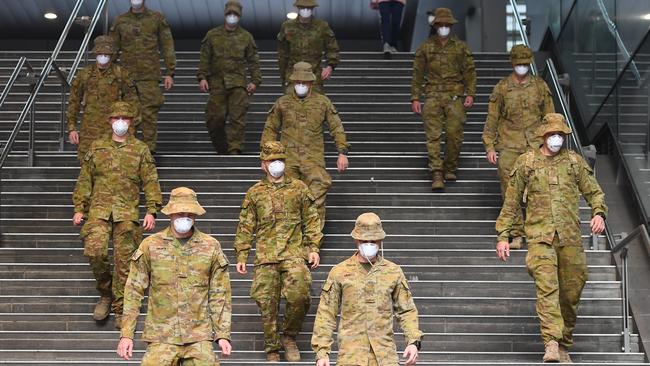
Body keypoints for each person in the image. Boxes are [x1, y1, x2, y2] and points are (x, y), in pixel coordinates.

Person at [495, 113, 607, 363]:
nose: (557, 138)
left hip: (570, 240)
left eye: (561, 135)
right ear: (543, 136)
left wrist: (598, 213)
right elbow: (511, 202)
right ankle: (552, 343)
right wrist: (503, 235)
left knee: (571, 291)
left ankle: (564, 341)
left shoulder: (574, 162)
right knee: (547, 289)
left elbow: (594, 192)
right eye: (553, 134)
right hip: (540, 239)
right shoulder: (527, 163)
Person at [116, 187, 232, 365]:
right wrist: (126, 334)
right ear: (170, 214)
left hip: (198, 336)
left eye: (189, 214)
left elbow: (220, 293)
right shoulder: (151, 245)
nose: (185, 217)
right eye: (179, 213)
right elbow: (134, 290)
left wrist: (222, 334)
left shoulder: (210, 247)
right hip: (161, 335)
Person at [72, 101, 161, 327]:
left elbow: (150, 181)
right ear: (109, 120)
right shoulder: (97, 147)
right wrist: (79, 207)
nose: (120, 122)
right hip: (99, 211)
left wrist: (152, 210)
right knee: (94, 251)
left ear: (131, 122)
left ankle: (121, 307)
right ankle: (105, 291)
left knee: (125, 263)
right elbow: (85, 179)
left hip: (126, 213)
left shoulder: (140, 149)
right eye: (116, 118)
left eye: (125, 118)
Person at [234, 141, 323, 362]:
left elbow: (312, 220)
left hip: (294, 253)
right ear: (263, 164)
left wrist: (313, 248)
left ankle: (289, 336)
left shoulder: (299, 188)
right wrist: (242, 254)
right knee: (266, 301)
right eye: (272, 160)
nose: (276, 164)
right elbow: (246, 225)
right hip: (266, 256)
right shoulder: (255, 193)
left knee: (300, 294)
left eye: (280, 160)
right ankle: (271, 347)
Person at [312, 212, 423, 366]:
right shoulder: (340, 272)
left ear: (380, 241)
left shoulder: (393, 272)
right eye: (364, 240)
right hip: (351, 356)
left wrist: (413, 341)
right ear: (356, 240)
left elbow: (406, 310)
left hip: (385, 356)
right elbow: (326, 313)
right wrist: (322, 352)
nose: (369, 244)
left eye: (373, 241)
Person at [482, 44, 555, 249]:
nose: (522, 67)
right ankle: (516, 234)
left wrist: (552, 142)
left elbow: (550, 117)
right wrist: (489, 146)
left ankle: (536, 232)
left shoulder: (540, 86)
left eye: (525, 63)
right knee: (510, 190)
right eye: (519, 63)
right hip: (508, 145)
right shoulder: (502, 88)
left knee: (537, 189)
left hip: (535, 145)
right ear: (512, 64)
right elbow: (492, 119)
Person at [261, 62, 350, 229]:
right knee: (284, 198)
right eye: (298, 82)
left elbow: (336, 127)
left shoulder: (322, 102)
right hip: (288, 159)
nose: (301, 85)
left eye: (304, 82)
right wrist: (266, 157)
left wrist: (342, 152)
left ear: (311, 83)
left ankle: (313, 242)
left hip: (313, 159)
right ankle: (291, 241)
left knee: (317, 196)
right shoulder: (283, 103)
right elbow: (270, 129)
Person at [411, 7, 476, 191]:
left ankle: (450, 166)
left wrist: (470, 93)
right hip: (432, 95)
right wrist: (415, 97)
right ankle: (437, 172)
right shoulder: (425, 47)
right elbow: (417, 74)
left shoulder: (461, 47)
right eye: (441, 25)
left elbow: (470, 72)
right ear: (436, 26)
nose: (444, 27)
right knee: (433, 136)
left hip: (455, 96)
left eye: (447, 25)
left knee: (454, 133)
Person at [110, 0, 177, 153]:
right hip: (127, 76)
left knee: (149, 115)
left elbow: (167, 45)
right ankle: (128, 152)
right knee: (127, 114)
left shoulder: (157, 18)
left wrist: (170, 72)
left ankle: (148, 152)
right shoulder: (120, 20)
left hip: (149, 76)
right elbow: (113, 48)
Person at [197, 0, 262, 155]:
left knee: (237, 119)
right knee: (214, 118)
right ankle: (222, 148)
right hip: (217, 83)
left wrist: (255, 81)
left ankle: (235, 149)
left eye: (235, 14)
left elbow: (253, 60)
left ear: (239, 16)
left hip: (238, 84)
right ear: (225, 14)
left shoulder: (246, 37)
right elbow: (205, 58)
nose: (232, 16)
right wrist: (202, 77)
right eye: (229, 14)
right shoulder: (213, 35)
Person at [66, 35, 139, 161]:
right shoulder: (85, 74)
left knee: (114, 166)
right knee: (87, 164)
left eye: (107, 53)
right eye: (100, 53)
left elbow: (133, 103)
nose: (103, 56)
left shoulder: (121, 74)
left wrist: (130, 129)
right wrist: (72, 128)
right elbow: (74, 102)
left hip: (114, 129)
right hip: (89, 129)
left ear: (112, 55)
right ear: (96, 54)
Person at [277, 0, 340, 94]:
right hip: (293, 75)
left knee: (316, 105)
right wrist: (284, 76)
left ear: (313, 8)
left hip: (314, 75)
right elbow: (282, 53)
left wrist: (330, 66)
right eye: (302, 7)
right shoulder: (287, 26)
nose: (306, 10)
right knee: (290, 105)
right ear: (298, 8)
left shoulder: (321, 26)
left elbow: (332, 47)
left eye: (309, 8)